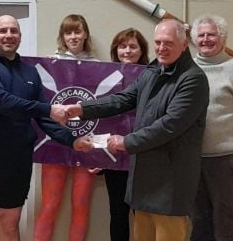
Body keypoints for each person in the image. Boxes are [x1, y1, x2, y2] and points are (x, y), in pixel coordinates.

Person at [0, 15, 93, 241]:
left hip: (17, 162)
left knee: (9, 225)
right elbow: (3, 102)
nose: (8, 35)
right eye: (2, 31)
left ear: (20, 36)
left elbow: (42, 118)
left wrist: (72, 140)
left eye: (13, 31)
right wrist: (48, 109)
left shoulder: (30, 72)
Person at [66, 19, 210, 241]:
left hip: (171, 185)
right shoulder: (153, 70)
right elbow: (123, 99)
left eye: (168, 43)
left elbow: (169, 125)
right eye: (158, 42)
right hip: (143, 181)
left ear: (184, 45)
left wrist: (126, 142)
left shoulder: (193, 79)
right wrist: (80, 109)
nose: (161, 48)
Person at [190, 14, 233, 241]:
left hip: (227, 160)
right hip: (193, 160)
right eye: (201, 35)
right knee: (198, 223)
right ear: (193, 39)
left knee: (226, 223)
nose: (206, 39)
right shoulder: (188, 69)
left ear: (223, 38)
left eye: (212, 34)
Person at [35, 14, 99, 241]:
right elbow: (40, 106)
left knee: (81, 206)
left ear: (85, 34)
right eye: (68, 32)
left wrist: (102, 154)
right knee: (50, 205)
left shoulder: (99, 68)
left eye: (77, 31)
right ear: (62, 36)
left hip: (86, 144)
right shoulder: (49, 64)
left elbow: (105, 112)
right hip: (54, 144)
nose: (73, 36)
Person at [102, 28, 150, 241]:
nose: (127, 51)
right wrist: (96, 157)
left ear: (142, 50)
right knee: (118, 214)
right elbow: (99, 118)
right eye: (123, 46)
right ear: (115, 50)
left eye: (133, 46)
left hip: (144, 157)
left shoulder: (154, 76)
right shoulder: (102, 77)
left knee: (143, 216)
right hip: (114, 157)